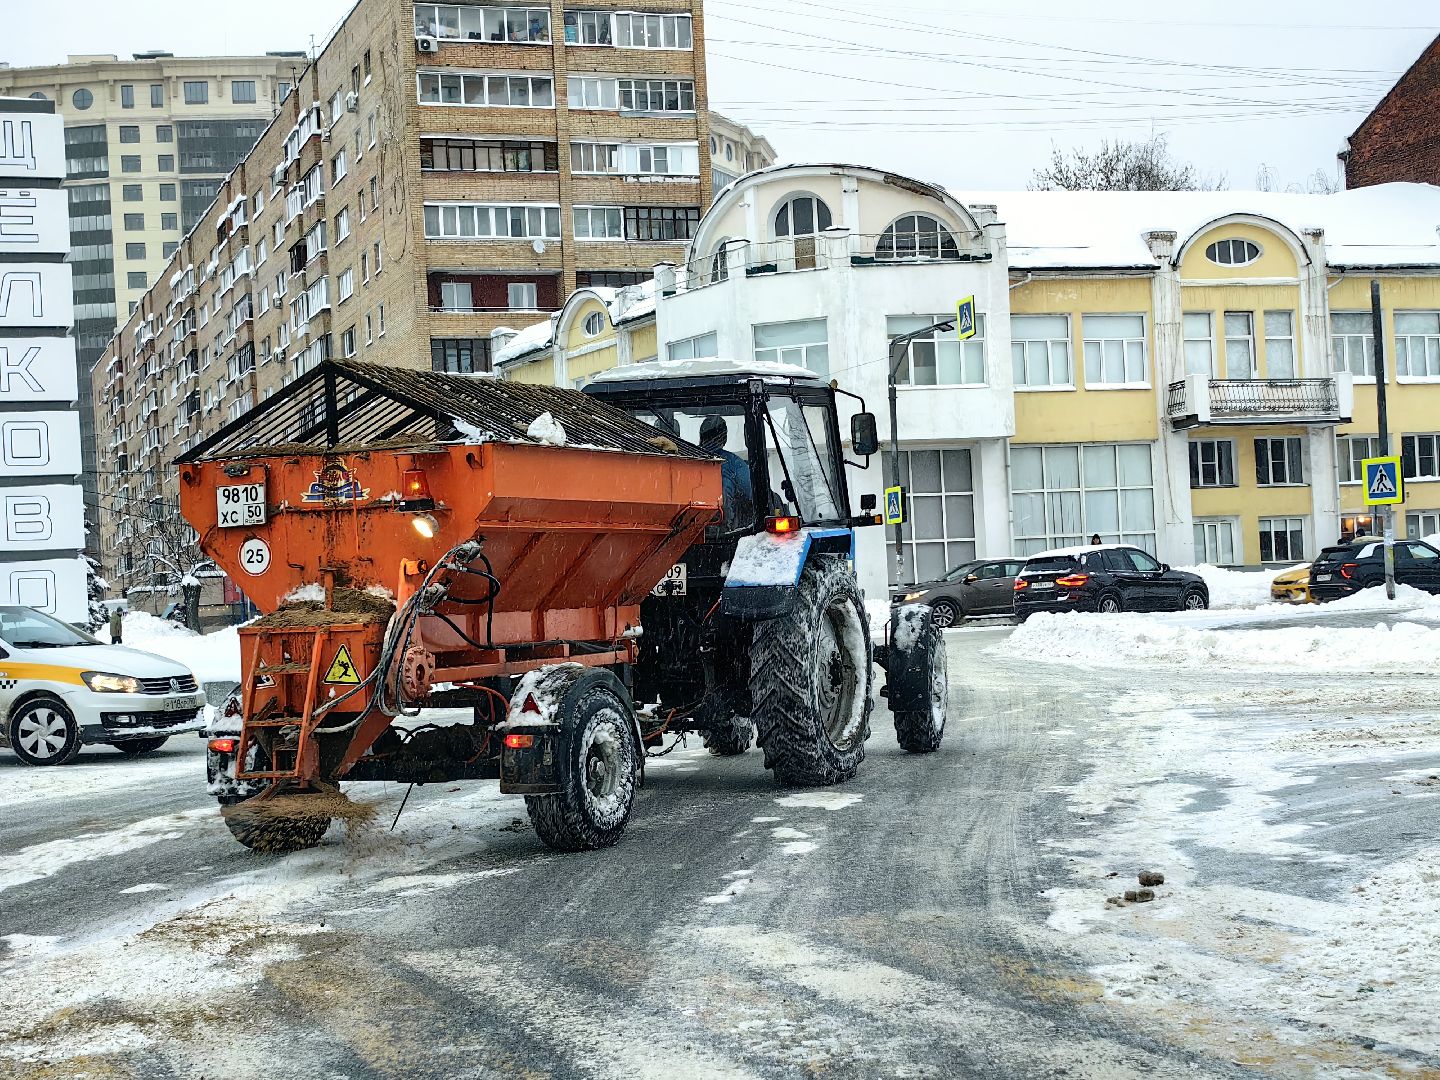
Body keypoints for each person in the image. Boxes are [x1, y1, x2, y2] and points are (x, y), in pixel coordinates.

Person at [699, 415, 754, 529]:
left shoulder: (686, 461)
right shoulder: (734, 463)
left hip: (690, 525)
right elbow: (750, 492)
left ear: (701, 436)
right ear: (724, 438)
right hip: (725, 526)